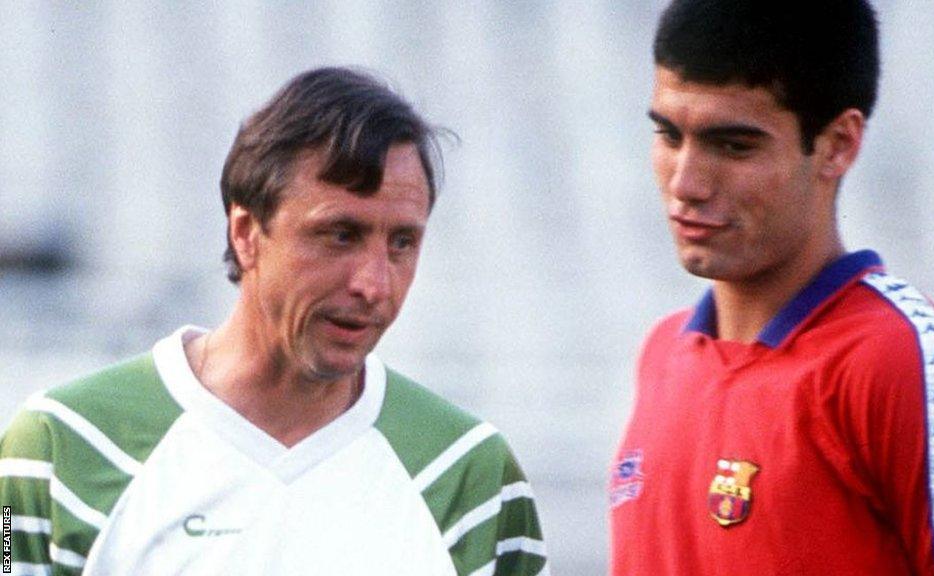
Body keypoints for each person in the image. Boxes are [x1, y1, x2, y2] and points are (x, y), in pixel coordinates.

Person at [0, 67, 547, 576]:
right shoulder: (58, 449)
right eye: (340, 235)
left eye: (402, 242)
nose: (375, 284)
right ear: (246, 232)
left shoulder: (469, 476)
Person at [610, 1, 934, 574]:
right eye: (670, 135)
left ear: (837, 145)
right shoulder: (663, 354)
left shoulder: (894, 362)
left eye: (734, 145)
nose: (686, 183)